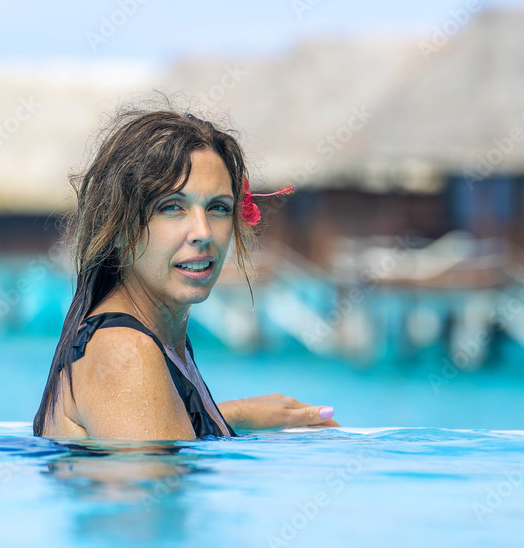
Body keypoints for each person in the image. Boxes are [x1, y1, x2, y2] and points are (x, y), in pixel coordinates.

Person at [33, 103, 340, 440]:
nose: (203, 232)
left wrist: (227, 414)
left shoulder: (160, 343)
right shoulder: (126, 352)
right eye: (172, 207)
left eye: (218, 208)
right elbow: (160, 490)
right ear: (117, 226)